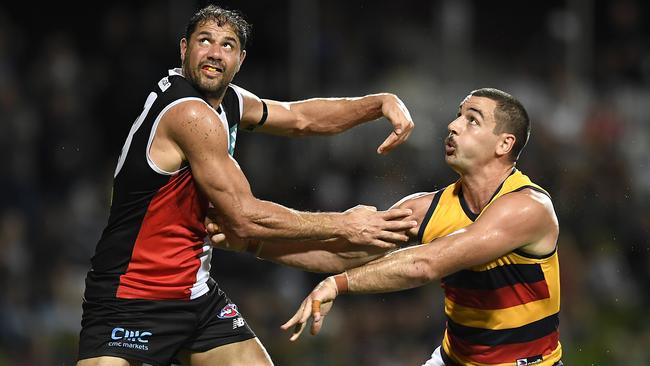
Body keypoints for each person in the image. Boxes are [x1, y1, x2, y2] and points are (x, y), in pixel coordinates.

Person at [76, 4, 417, 366]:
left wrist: (378, 103)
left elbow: (301, 117)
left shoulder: (230, 102)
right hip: (130, 299)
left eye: (227, 45)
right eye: (204, 40)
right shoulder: (187, 112)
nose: (214, 53)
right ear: (183, 49)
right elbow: (243, 217)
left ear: (240, 59)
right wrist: (346, 223)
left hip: (195, 297)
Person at [281, 88, 563, 366]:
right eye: (458, 116)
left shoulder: (528, 207)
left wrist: (338, 283)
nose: (453, 126)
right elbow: (342, 256)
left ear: (504, 144)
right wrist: (252, 241)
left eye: (472, 120)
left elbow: (426, 264)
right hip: (453, 359)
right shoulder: (423, 209)